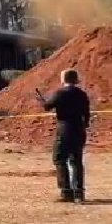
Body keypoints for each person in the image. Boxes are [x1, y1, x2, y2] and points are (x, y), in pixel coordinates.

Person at [36, 68, 90, 204]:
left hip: (64, 130)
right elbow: (87, 113)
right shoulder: (82, 94)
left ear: (63, 79)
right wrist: (85, 125)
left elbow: (47, 106)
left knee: (59, 159)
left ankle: (66, 191)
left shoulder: (60, 93)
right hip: (79, 129)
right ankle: (79, 193)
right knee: (76, 161)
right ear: (75, 79)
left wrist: (41, 101)